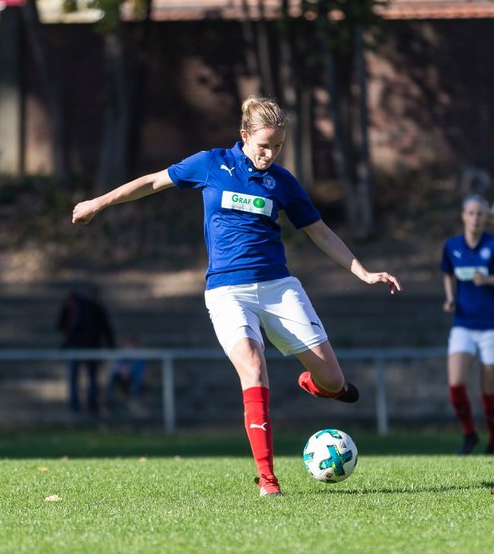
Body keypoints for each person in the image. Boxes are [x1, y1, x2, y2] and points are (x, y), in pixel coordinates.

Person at [71, 96, 401, 496]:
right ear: (244, 135)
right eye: (264, 145)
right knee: (253, 367)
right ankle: (268, 479)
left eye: (278, 146)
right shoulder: (211, 164)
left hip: (278, 287)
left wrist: (362, 272)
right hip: (227, 291)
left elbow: (320, 232)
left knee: (333, 380)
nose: (270, 153)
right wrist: (98, 202)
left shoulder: (283, 182)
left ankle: (316, 384)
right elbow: (152, 182)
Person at [441, 195, 494, 456]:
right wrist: (450, 297)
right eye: (471, 213)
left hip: (493, 326)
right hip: (463, 324)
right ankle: (469, 434)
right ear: (463, 216)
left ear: (486, 217)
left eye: (480, 214)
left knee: (488, 390)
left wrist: (490, 280)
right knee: (455, 384)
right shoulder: (452, 246)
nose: (475, 218)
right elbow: (447, 272)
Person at [56, 287, 115, 415]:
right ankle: (92, 406)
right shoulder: (96, 307)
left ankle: (74, 406)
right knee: (92, 376)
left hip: (75, 345)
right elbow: (106, 328)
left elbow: (60, 325)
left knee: (74, 377)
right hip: (91, 345)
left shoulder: (72, 305)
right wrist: (111, 347)